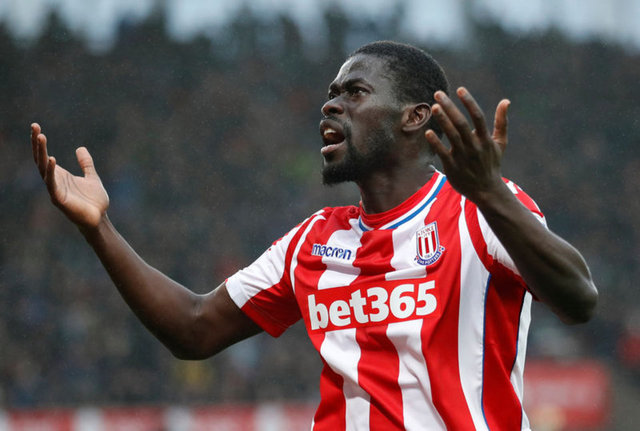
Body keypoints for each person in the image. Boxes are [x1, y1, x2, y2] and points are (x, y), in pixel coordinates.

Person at [31, 41, 597, 430]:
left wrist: (491, 192)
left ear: (415, 116)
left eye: (355, 92)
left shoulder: (480, 211)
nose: (330, 104)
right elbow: (194, 328)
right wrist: (99, 228)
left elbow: (579, 300)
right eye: (332, 92)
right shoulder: (312, 242)